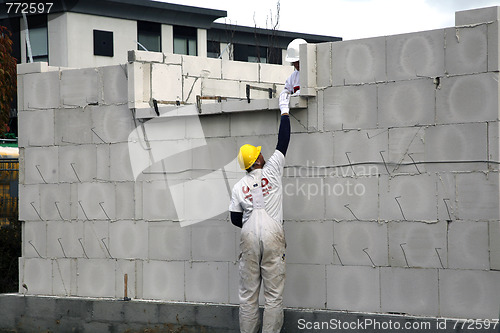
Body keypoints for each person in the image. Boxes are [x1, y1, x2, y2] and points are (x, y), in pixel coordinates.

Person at [228, 38, 304, 333]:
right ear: (258, 160)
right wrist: (284, 110)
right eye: (259, 153)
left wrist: (251, 224)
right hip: (273, 232)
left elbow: (236, 219)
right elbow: (283, 141)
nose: (263, 153)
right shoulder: (272, 169)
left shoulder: (238, 186)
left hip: (248, 233)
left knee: (248, 296)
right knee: (273, 296)